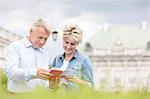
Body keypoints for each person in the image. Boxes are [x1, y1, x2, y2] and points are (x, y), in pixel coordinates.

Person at [5, 18, 52, 93]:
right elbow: (11, 73)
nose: (42, 42)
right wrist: (35, 73)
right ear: (31, 31)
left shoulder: (45, 54)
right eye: (40, 37)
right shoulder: (15, 47)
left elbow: (44, 82)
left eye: (45, 39)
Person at [51, 24, 93, 90]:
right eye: (66, 42)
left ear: (77, 44)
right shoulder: (57, 59)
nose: (68, 46)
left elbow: (91, 87)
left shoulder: (84, 59)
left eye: (72, 44)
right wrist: (53, 82)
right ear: (63, 41)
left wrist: (77, 81)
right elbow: (51, 86)